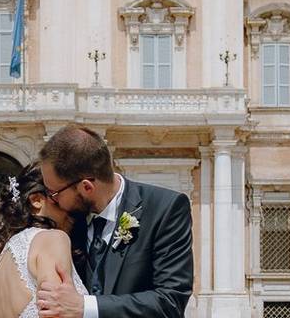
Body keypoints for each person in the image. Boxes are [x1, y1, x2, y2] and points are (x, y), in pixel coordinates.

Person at [36, 124, 193, 318]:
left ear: (86, 187)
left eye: (54, 192)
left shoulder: (165, 208)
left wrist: (85, 307)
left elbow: (170, 301)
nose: (52, 199)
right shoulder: (67, 220)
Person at [0, 162, 88, 318]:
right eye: (63, 196)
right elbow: (58, 312)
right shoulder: (52, 239)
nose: (73, 207)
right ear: (36, 199)